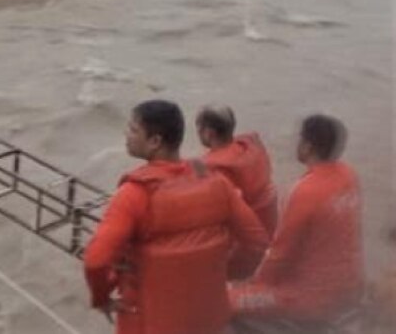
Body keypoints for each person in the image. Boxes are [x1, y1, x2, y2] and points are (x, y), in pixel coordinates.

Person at [84, 100, 269, 334]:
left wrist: (102, 298)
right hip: (208, 319)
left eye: (132, 129)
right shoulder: (218, 184)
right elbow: (257, 242)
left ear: (155, 142)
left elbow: (96, 260)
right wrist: (221, 273)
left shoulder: (133, 194)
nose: (126, 134)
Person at [230, 115, 364, 329]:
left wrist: (252, 287)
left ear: (308, 146)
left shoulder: (304, 191)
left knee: (222, 299)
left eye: (299, 139)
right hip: (348, 286)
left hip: (308, 298)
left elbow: (280, 255)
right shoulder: (349, 176)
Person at [198, 106, 280, 241]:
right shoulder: (252, 147)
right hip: (269, 222)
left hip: (244, 238)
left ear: (208, 133)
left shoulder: (213, 168)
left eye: (199, 129)